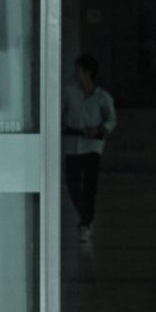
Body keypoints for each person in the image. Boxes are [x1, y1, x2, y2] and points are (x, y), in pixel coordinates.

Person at [62, 54, 117, 242]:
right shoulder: (69, 93)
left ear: (87, 73)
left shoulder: (102, 97)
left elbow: (111, 119)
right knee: (72, 183)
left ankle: (85, 223)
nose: (75, 74)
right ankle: (86, 217)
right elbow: (60, 113)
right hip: (72, 144)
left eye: (78, 70)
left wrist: (100, 130)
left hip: (93, 145)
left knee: (89, 186)